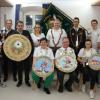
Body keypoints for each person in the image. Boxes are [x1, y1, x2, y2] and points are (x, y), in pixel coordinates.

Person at [16, 21, 34, 87]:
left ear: (23, 26)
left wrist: (31, 52)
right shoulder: (14, 34)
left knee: (27, 68)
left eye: (21, 25)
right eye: (19, 25)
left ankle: (27, 81)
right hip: (18, 55)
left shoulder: (26, 32)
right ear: (16, 26)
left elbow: (31, 42)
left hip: (26, 54)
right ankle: (20, 81)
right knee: (19, 68)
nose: (20, 27)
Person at [69, 17, 86, 83]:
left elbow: (84, 40)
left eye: (77, 21)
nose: (75, 23)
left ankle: (80, 77)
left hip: (80, 50)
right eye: (74, 21)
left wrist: (83, 50)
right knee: (73, 63)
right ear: (73, 22)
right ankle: (75, 77)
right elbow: (69, 41)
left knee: (80, 63)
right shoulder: (70, 30)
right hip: (72, 50)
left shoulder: (82, 30)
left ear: (78, 22)